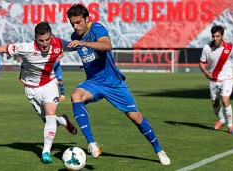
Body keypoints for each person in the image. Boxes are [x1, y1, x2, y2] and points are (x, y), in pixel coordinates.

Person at [65, 4, 170, 165]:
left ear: (87, 19)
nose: (75, 26)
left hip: (113, 83)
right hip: (93, 82)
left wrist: (84, 44)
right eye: (72, 23)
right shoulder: (75, 36)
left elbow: (107, 46)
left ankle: (159, 150)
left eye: (78, 22)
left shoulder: (97, 28)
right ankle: (92, 143)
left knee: (136, 118)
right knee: (75, 95)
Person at [0, 21, 77, 164]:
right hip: (31, 89)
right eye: (41, 40)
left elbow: (77, 46)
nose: (45, 44)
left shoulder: (59, 43)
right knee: (48, 121)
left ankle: (45, 152)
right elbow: (2, 48)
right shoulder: (25, 48)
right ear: (35, 38)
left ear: (51, 36)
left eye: (47, 40)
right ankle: (63, 120)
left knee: (50, 116)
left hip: (50, 84)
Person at [199, 25, 233, 134]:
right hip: (213, 79)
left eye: (217, 36)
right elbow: (201, 62)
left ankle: (230, 125)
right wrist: (205, 72)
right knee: (214, 103)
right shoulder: (207, 48)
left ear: (222, 36)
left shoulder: (229, 48)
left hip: (226, 78)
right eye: (213, 36)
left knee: (225, 100)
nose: (215, 39)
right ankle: (221, 120)